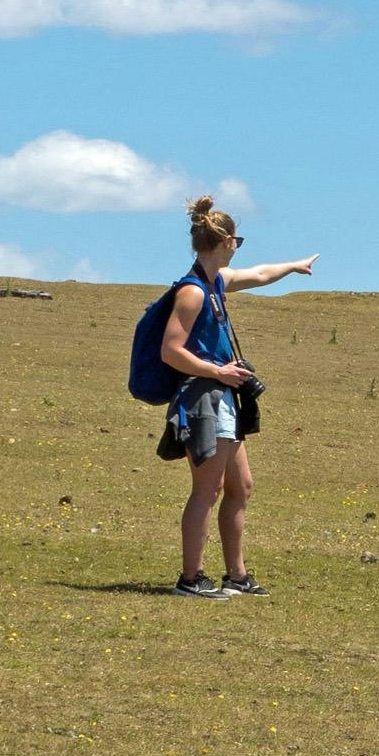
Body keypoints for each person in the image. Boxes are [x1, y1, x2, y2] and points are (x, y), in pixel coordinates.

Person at [160, 196, 318, 599]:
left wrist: (294, 266)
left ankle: (236, 574)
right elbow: (171, 350)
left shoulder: (216, 282)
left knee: (240, 486)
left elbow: (262, 274)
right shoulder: (193, 292)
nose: (238, 248)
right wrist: (220, 371)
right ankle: (191, 578)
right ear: (224, 241)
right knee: (207, 490)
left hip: (223, 394)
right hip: (205, 395)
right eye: (237, 241)